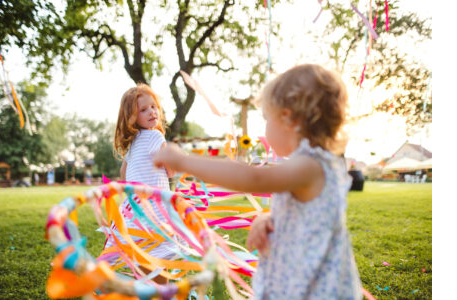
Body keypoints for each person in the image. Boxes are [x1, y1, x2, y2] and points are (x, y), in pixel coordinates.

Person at [154, 64, 362, 299]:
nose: (265, 128)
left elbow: (254, 178)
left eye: (266, 119)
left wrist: (184, 162)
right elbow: (308, 214)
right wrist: (268, 220)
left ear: (288, 119)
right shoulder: (310, 165)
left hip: (313, 288)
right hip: (297, 278)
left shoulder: (312, 165)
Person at [104, 83, 177, 284]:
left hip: (134, 211)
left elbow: (123, 173)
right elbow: (171, 171)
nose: (152, 112)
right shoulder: (155, 135)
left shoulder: (134, 142)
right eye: (143, 110)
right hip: (155, 211)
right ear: (132, 118)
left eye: (153, 107)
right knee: (159, 263)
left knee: (143, 258)